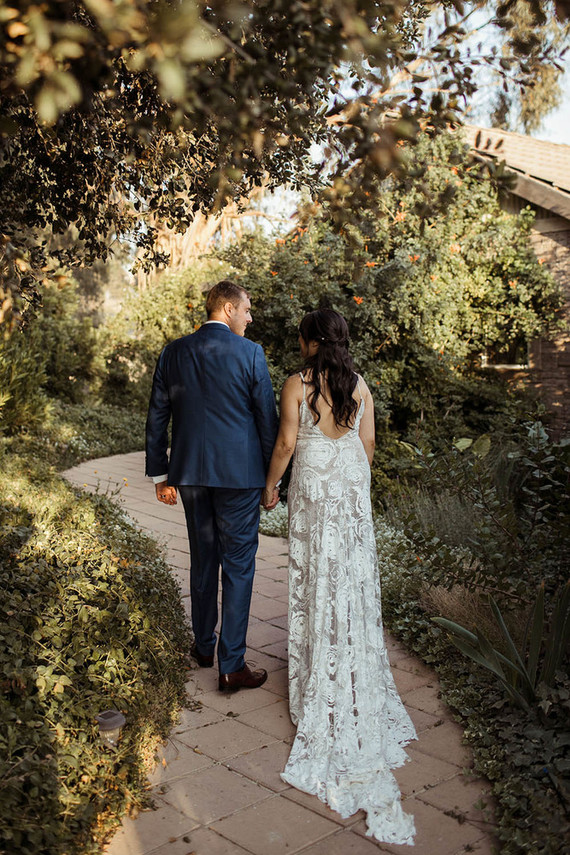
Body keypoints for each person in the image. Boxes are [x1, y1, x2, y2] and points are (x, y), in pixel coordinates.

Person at [263, 308, 416, 844]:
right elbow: (368, 446)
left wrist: (269, 488)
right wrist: (352, 481)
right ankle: (350, 669)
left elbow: (285, 443)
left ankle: (316, 686)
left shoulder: (297, 384)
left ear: (309, 342)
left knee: (314, 578)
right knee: (350, 577)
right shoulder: (360, 383)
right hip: (348, 485)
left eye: (301, 337)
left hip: (314, 487)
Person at [146, 280, 279, 692]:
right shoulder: (251, 354)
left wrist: (160, 474)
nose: (250, 318)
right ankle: (231, 664)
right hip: (239, 477)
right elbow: (266, 420)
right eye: (246, 310)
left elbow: (157, 416)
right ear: (226, 308)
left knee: (204, 558)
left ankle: (204, 647)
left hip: (190, 475)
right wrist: (272, 480)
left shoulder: (173, 352)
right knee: (238, 566)